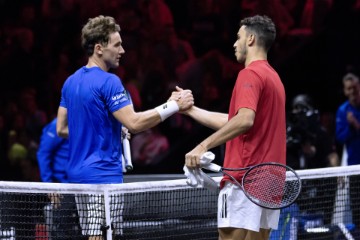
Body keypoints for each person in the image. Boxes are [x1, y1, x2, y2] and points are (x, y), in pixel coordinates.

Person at [56, 15, 193, 240]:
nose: (123, 50)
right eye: (117, 44)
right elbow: (135, 122)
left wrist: (107, 129)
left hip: (78, 175)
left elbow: (62, 128)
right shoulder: (110, 82)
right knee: (101, 237)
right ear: (99, 48)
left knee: (95, 234)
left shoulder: (70, 82)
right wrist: (173, 106)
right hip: (102, 177)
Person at [182, 15, 286, 240]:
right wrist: (190, 110)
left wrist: (202, 146)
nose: (234, 44)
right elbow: (235, 120)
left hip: (244, 177)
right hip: (270, 179)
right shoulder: (274, 78)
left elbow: (244, 120)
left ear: (250, 39)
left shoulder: (249, 73)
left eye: (238, 37)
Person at [37, 117, 81, 239]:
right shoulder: (57, 125)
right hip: (62, 187)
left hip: (84, 185)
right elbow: (43, 153)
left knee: (87, 227)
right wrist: (49, 185)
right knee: (61, 229)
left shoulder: (85, 121)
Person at [335, 72, 360, 230]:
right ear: (345, 91)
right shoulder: (343, 111)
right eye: (348, 89)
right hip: (354, 167)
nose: (352, 91)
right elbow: (340, 137)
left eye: (354, 88)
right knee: (357, 208)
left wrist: (356, 125)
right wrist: (351, 127)